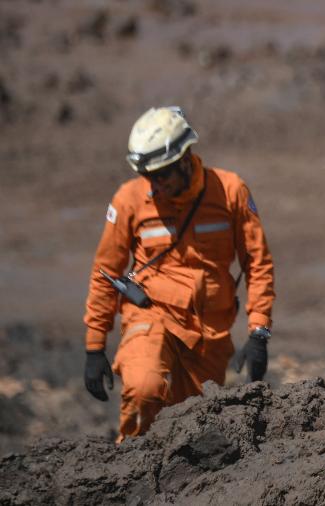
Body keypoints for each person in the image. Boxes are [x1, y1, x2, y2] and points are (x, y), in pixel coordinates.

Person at [82, 106, 275, 441]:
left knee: (195, 427)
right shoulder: (129, 200)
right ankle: (129, 463)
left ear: (185, 158)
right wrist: (95, 346)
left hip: (210, 330)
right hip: (151, 314)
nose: (157, 184)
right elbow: (106, 272)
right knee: (143, 389)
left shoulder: (230, 192)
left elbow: (257, 263)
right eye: (150, 177)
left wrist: (258, 332)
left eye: (163, 174)